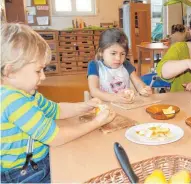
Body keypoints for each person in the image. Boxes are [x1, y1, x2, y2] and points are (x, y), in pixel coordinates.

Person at [0, 23, 116, 183]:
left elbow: (56, 110)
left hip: (37, 163)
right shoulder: (13, 100)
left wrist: (86, 106)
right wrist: (97, 122)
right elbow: (55, 137)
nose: (43, 77)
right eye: (37, 71)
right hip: (24, 174)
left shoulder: (27, 93)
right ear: (10, 71)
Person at [88, 28, 152, 103]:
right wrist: (114, 97)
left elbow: (137, 83)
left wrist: (143, 89)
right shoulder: (94, 66)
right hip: (105, 107)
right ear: (101, 52)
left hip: (125, 106)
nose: (118, 58)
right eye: (113, 53)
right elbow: (94, 91)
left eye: (122, 54)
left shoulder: (126, 64)